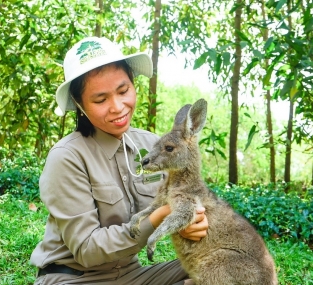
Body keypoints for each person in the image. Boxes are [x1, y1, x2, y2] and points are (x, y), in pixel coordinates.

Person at [30, 36, 208, 285]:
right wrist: (162, 215)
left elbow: (187, 194)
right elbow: (87, 250)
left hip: (131, 275)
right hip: (74, 278)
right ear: (80, 105)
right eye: (100, 100)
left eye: (123, 91)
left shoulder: (152, 146)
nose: (117, 107)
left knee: (219, 266)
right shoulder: (67, 157)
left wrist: (193, 220)